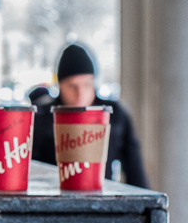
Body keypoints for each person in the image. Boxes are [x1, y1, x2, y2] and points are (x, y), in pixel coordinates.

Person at [31, 43, 148, 187]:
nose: (80, 93)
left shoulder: (114, 114)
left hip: (102, 198)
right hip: (53, 199)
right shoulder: (42, 116)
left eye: (86, 85)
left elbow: (135, 170)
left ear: (94, 83)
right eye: (72, 86)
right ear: (60, 86)